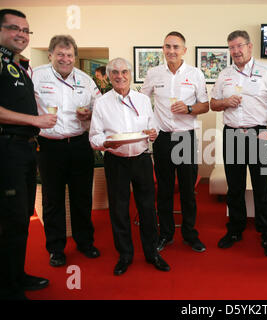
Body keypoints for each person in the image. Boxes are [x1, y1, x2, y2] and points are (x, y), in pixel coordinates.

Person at [89, 57, 170, 275]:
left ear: (130, 74)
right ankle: (125, 254)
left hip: (142, 159)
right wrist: (106, 143)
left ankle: (152, 252)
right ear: (108, 76)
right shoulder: (102, 103)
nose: (120, 76)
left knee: (147, 209)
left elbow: (152, 127)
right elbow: (94, 137)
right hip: (116, 161)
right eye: (115, 72)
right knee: (119, 210)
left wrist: (153, 133)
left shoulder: (142, 99)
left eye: (124, 72)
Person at [210, 30, 267, 257]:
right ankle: (235, 230)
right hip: (233, 134)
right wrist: (225, 101)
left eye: (239, 46)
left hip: (259, 134)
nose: (236, 51)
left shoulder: (265, 72)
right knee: (235, 188)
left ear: (249, 47)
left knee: (262, 189)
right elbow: (213, 103)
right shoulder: (224, 74)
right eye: (231, 47)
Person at [0, 8, 57, 300]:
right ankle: (8, 288)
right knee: (9, 220)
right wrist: (35, 121)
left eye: (25, 30)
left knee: (21, 217)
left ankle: (16, 276)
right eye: (14, 28)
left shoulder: (18, 65)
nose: (21, 34)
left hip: (24, 150)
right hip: (7, 149)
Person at [33, 35, 101, 267]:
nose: (65, 59)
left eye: (70, 55)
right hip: (50, 147)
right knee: (53, 199)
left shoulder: (85, 79)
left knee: (82, 196)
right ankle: (56, 248)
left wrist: (90, 114)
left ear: (75, 57)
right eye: (60, 54)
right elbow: (24, 106)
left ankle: (85, 242)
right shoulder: (36, 75)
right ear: (51, 54)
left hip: (80, 145)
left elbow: (99, 108)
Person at [141, 32, 209, 253]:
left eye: (176, 47)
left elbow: (205, 105)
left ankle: (189, 234)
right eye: (168, 46)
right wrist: (149, 124)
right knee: (165, 190)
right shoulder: (153, 73)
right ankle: (166, 234)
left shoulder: (195, 74)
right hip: (161, 138)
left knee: (188, 190)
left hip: (184, 137)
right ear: (163, 48)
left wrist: (189, 109)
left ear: (184, 50)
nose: (171, 51)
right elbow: (142, 101)